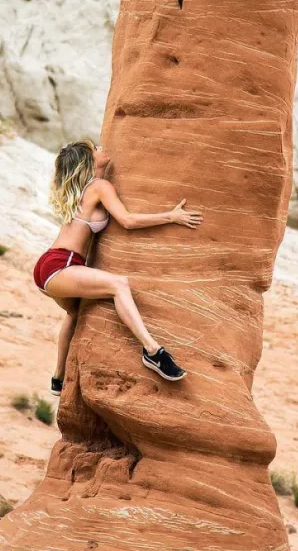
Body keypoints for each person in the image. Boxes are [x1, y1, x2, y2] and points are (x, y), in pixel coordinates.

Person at [33, 138, 202, 395]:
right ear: (90, 161)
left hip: (51, 265)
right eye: (95, 149)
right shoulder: (99, 186)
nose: (102, 148)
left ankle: (58, 378)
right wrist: (171, 216)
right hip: (61, 265)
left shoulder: (87, 188)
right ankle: (153, 351)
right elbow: (127, 220)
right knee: (118, 284)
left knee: (73, 314)